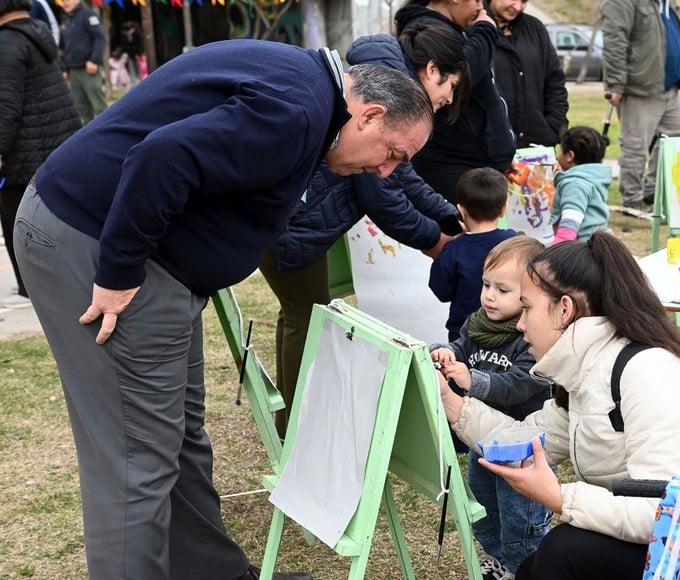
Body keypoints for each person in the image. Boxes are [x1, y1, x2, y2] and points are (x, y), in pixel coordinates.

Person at [13, 38, 433, 580]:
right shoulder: (297, 112)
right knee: (136, 457)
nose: (386, 171)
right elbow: (161, 156)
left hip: (151, 261)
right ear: (369, 115)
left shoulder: (310, 89)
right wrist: (117, 273)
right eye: (393, 153)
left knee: (180, 436)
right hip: (98, 243)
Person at [436, 233, 680, 579]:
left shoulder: (648, 374)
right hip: (669, 538)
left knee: (562, 552)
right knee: (531, 569)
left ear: (564, 309)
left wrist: (558, 497)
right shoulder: (589, 372)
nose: (521, 324)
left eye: (527, 307)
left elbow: (661, 510)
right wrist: (450, 400)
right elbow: (523, 436)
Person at [263, 22, 467, 439]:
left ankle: (293, 419)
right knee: (306, 320)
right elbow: (383, 199)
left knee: (299, 317)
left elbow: (403, 178)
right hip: (296, 226)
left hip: (296, 222)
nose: (448, 99)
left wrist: (448, 216)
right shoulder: (387, 104)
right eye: (451, 86)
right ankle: (298, 429)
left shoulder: (391, 95)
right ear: (431, 70)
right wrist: (436, 241)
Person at [430, 235, 551, 580]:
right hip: (481, 440)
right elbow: (461, 347)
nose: (489, 296)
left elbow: (520, 384)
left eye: (502, 289)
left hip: (522, 447)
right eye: (486, 285)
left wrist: (473, 381)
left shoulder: (531, 336)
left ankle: (526, 567)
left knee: (520, 516)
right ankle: (501, 561)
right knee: (485, 506)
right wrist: (446, 352)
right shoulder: (478, 322)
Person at [0, 0, 80, 310]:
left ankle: (32, 291)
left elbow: (6, 105)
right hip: (53, 146)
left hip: (26, 151)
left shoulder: (8, 41)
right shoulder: (36, 31)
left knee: (18, 222)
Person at [395, 0, 516, 203]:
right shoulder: (427, 28)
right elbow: (462, 72)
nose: (481, 8)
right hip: (453, 164)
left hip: (476, 163)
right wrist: (485, 30)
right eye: (477, 0)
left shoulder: (454, 27)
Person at [600, 0, 680, 211]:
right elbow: (614, 42)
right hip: (639, 89)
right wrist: (615, 83)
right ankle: (632, 199)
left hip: (670, 88)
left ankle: (653, 192)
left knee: (676, 137)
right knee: (635, 147)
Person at [429, 167, 517, 342]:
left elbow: (441, 291)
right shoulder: (515, 243)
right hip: (508, 333)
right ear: (504, 209)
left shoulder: (453, 249)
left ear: (461, 210)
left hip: (463, 336)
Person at [487, 0, 568, 149]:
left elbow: (555, 81)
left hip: (536, 146)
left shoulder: (535, 29)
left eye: (523, 1)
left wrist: (554, 127)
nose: (518, 7)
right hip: (489, 147)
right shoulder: (474, 28)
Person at [550, 126, 612, 244]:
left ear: (570, 156)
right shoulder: (590, 179)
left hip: (582, 249)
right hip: (596, 244)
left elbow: (570, 225)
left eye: (560, 150)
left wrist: (553, 251)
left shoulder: (574, 184)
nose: (557, 156)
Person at [58, 0, 106, 123]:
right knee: (81, 108)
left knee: (99, 107)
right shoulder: (65, 19)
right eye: (63, 0)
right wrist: (64, 68)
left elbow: (100, 38)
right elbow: (62, 47)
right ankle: (89, 134)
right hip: (73, 71)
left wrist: (94, 60)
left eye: (68, 0)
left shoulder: (88, 15)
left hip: (88, 69)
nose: (65, 3)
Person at [119, 20, 144, 86]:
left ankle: (140, 80)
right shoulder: (124, 36)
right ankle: (133, 81)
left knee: (139, 67)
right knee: (131, 67)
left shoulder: (137, 34)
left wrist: (139, 53)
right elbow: (124, 46)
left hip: (137, 53)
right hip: (129, 53)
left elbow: (140, 45)